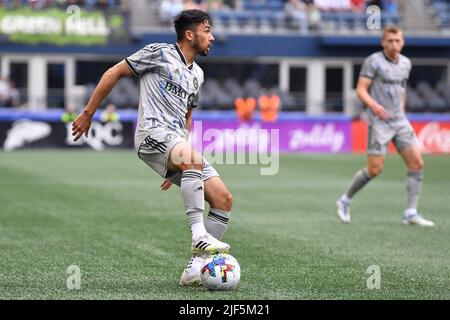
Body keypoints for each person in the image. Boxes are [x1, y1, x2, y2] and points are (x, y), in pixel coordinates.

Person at [71, 9, 234, 286]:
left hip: (175, 144)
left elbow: (187, 115)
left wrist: (180, 164)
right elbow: (115, 72)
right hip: (150, 134)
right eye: (207, 30)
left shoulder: (198, 75)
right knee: (191, 161)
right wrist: (88, 112)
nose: (212, 37)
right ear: (190, 34)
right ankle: (199, 236)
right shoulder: (158, 53)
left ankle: (195, 269)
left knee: (223, 199)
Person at [336, 26, 434, 227]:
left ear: (403, 42)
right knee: (375, 169)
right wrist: (374, 106)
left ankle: (410, 213)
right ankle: (344, 200)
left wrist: (403, 112)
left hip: (399, 121)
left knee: (417, 163)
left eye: (397, 41)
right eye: (390, 41)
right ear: (383, 42)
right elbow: (361, 90)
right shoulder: (373, 61)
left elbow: (402, 88)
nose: (394, 44)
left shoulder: (406, 63)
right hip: (379, 122)